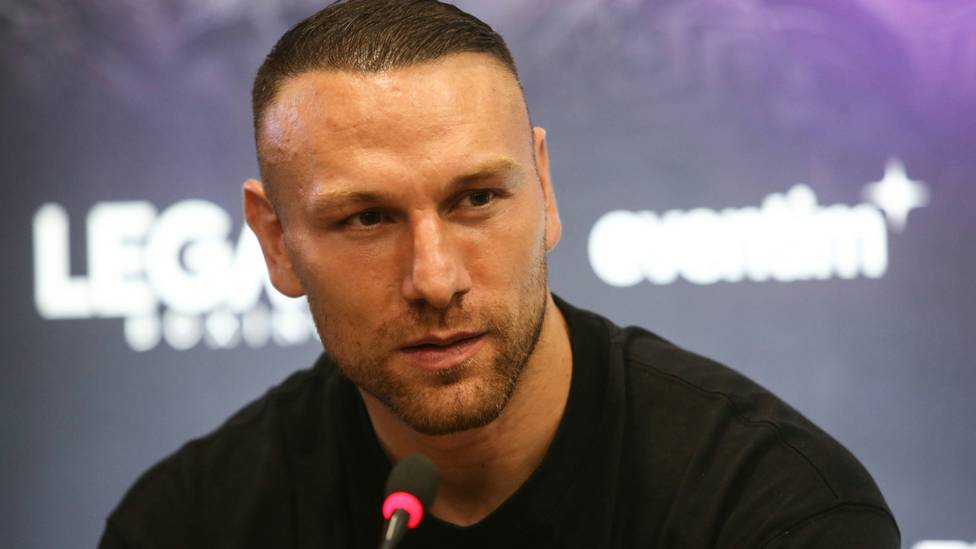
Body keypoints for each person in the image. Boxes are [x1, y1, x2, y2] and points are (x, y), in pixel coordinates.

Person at [99, 1, 900, 547]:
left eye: (477, 198)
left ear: (543, 189)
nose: (434, 279)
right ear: (276, 242)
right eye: (367, 218)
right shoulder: (186, 523)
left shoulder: (773, 509)